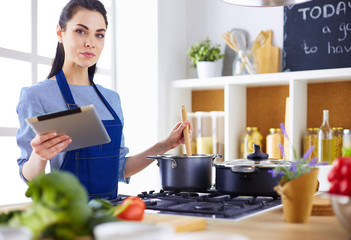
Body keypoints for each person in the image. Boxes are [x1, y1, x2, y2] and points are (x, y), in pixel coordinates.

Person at [16, 0, 191, 200]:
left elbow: (119, 169)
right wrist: (39, 156)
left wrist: (164, 145)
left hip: (109, 213)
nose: (90, 42)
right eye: (81, 31)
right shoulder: (37, 96)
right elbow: (30, 178)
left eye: (99, 34)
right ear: (60, 33)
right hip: (67, 215)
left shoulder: (111, 99)